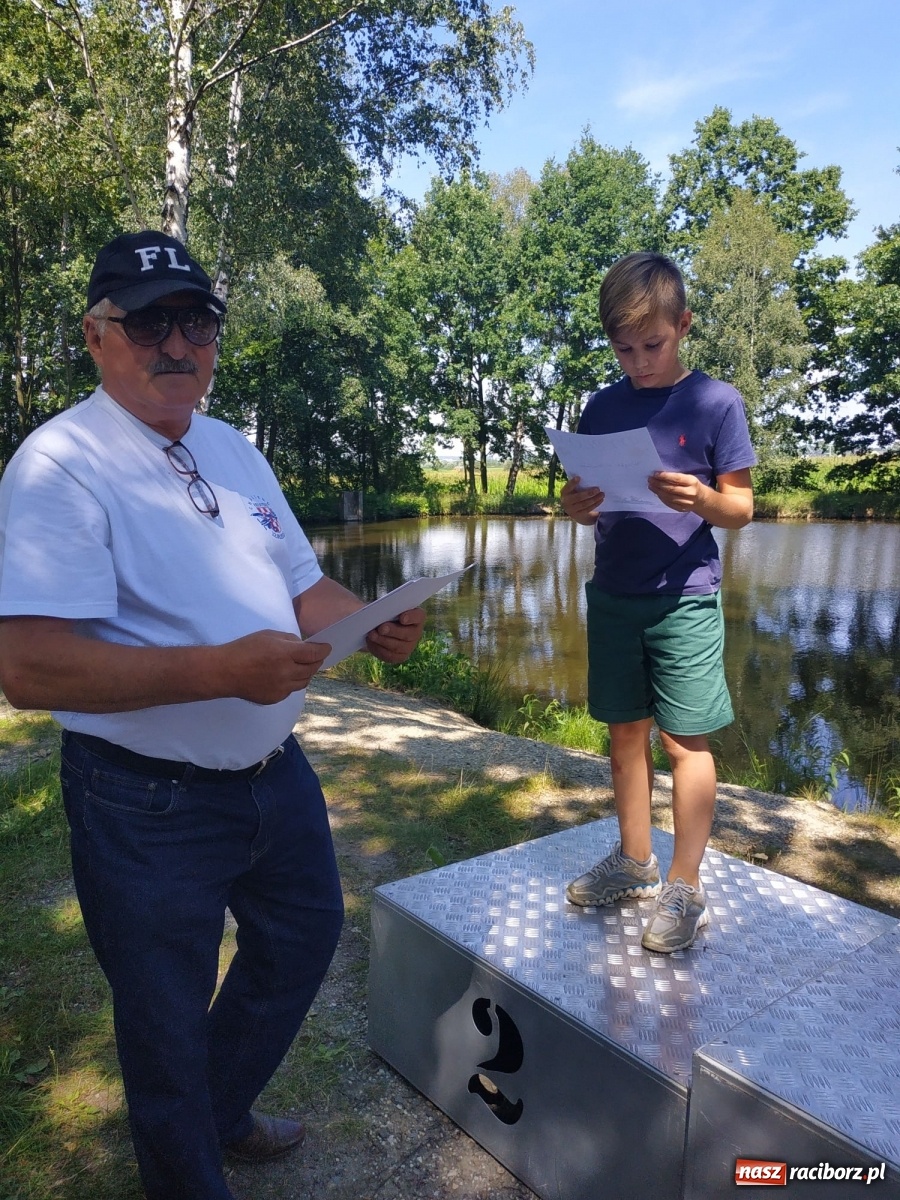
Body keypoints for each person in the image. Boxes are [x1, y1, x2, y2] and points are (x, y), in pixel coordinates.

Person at [0, 231, 425, 1200]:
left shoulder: (232, 447)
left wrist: (368, 623)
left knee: (306, 935)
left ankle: (217, 1106)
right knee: (162, 1024)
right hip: (140, 804)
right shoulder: (59, 464)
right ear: (97, 335)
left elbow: (304, 588)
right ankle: (189, 1163)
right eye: (150, 321)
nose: (177, 343)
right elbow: (27, 666)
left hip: (274, 778)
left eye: (196, 320)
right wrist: (220, 672)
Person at [561, 251, 755, 953]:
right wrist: (574, 504)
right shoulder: (603, 406)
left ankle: (685, 885)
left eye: (653, 345)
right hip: (614, 595)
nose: (638, 361)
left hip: (685, 600)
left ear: (684, 327)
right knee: (622, 735)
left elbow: (741, 507)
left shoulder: (716, 403)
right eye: (623, 348)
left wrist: (704, 498)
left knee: (685, 742)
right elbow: (587, 503)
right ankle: (635, 860)